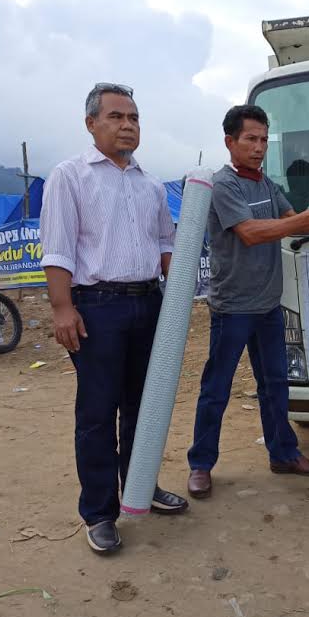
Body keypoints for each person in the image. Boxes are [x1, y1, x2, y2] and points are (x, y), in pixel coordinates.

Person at [40, 82, 188, 555]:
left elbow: (167, 246)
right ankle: (100, 512)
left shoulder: (150, 184)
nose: (128, 125)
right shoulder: (70, 176)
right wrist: (63, 307)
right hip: (97, 308)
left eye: (134, 118)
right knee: (98, 414)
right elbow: (58, 248)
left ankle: (141, 488)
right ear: (91, 124)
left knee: (144, 408)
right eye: (117, 116)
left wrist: (178, 298)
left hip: (149, 305)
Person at [186, 105, 309, 499]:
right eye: (250, 139)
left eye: (263, 140)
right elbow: (251, 232)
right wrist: (305, 221)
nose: (258, 148)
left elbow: (292, 218)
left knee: (276, 384)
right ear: (230, 142)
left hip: (268, 306)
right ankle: (201, 464)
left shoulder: (266, 184)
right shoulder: (224, 185)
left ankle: (284, 454)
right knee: (216, 388)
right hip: (232, 307)